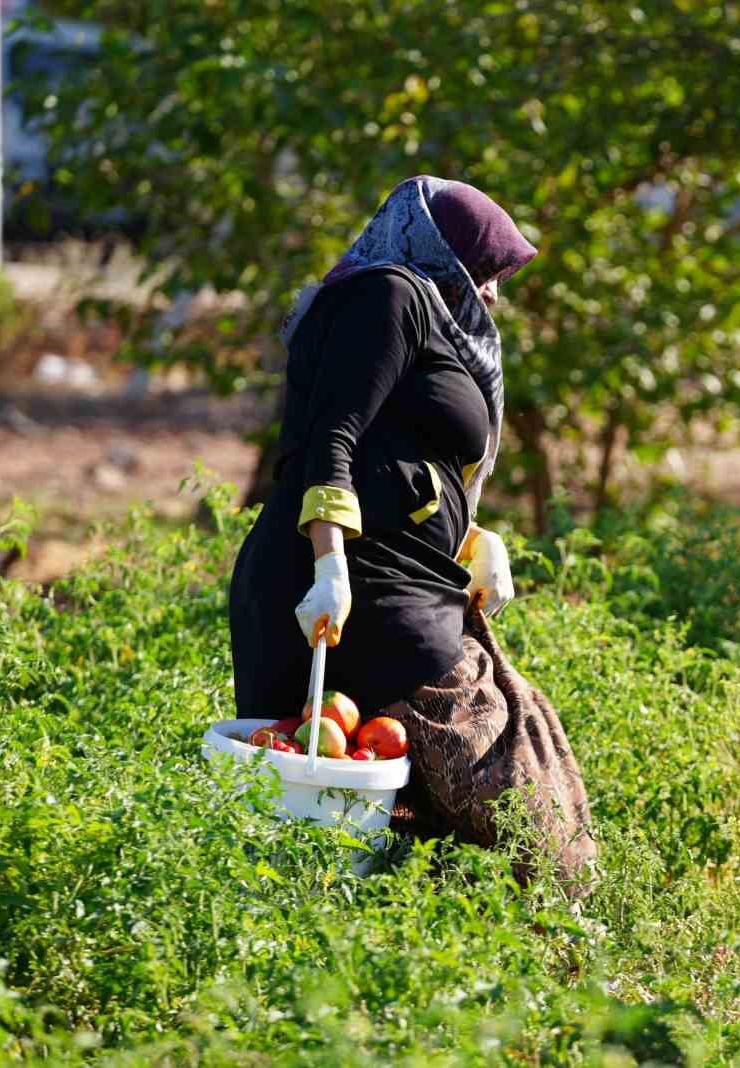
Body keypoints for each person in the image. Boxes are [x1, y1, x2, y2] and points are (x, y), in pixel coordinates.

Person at [229, 176, 595, 887]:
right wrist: (330, 567)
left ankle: (413, 984)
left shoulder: (426, 314)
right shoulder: (387, 296)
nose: (491, 293)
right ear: (438, 251)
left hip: (405, 589)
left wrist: (473, 537)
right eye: (483, 269)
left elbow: (403, 458)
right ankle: (569, 955)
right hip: (360, 597)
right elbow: (329, 441)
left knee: (384, 842)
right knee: (520, 802)